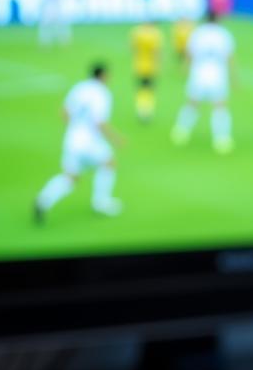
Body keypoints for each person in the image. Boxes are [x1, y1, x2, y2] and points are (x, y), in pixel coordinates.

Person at [34, 62, 124, 221]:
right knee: (109, 163)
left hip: (72, 140)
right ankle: (101, 202)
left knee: (70, 178)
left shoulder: (79, 87)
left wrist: (75, 128)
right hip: (90, 141)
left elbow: (64, 112)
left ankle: (43, 200)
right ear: (102, 75)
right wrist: (115, 138)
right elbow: (99, 122)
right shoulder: (101, 93)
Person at [170, 8, 236, 153]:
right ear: (218, 18)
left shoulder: (198, 32)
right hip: (218, 74)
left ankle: (181, 132)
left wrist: (185, 68)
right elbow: (229, 57)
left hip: (198, 73)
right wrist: (233, 77)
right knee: (220, 107)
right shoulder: (224, 34)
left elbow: (189, 52)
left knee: (192, 103)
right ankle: (222, 139)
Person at [130, 20, 164, 122]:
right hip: (151, 66)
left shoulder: (137, 32)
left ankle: (140, 109)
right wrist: (159, 64)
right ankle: (147, 110)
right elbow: (157, 51)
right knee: (150, 89)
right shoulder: (155, 34)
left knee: (141, 88)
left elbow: (132, 47)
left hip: (139, 65)